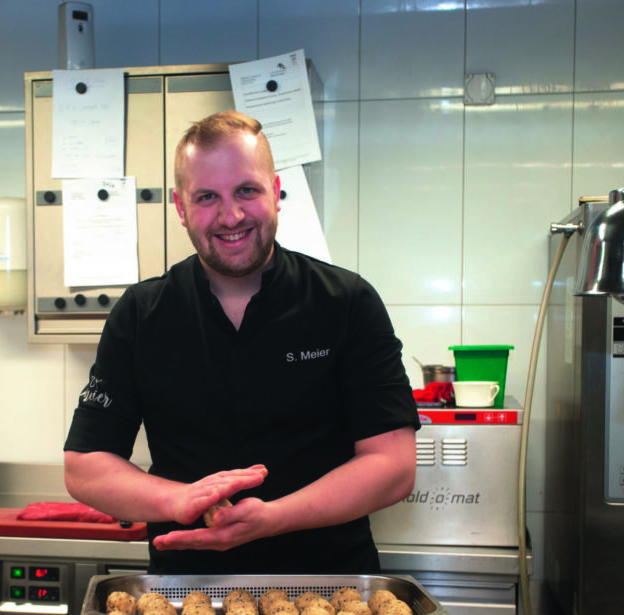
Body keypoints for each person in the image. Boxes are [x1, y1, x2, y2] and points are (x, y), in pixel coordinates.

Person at [63, 110, 419, 574]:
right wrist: (181, 499)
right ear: (180, 207)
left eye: (247, 190)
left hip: (330, 591)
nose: (230, 216)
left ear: (275, 191)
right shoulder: (140, 314)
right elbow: (85, 466)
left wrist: (274, 518)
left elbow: (393, 465)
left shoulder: (346, 302)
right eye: (207, 196)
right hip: (185, 596)